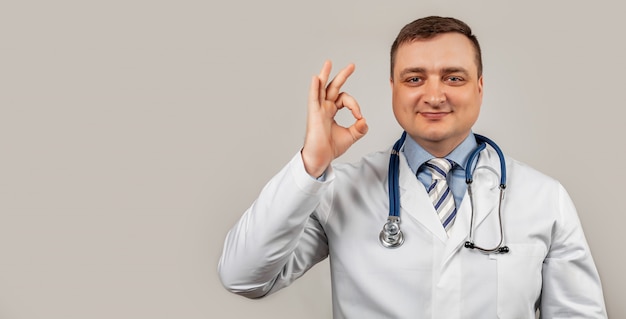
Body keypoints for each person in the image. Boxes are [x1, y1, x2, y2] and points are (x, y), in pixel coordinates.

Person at [218, 16, 607, 318]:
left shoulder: (544, 197)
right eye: (414, 78)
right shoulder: (343, 191)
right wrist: (311, 163)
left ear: (480, 87)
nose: (434, 95)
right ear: (394, 88)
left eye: (453, 77)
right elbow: (243, 277)